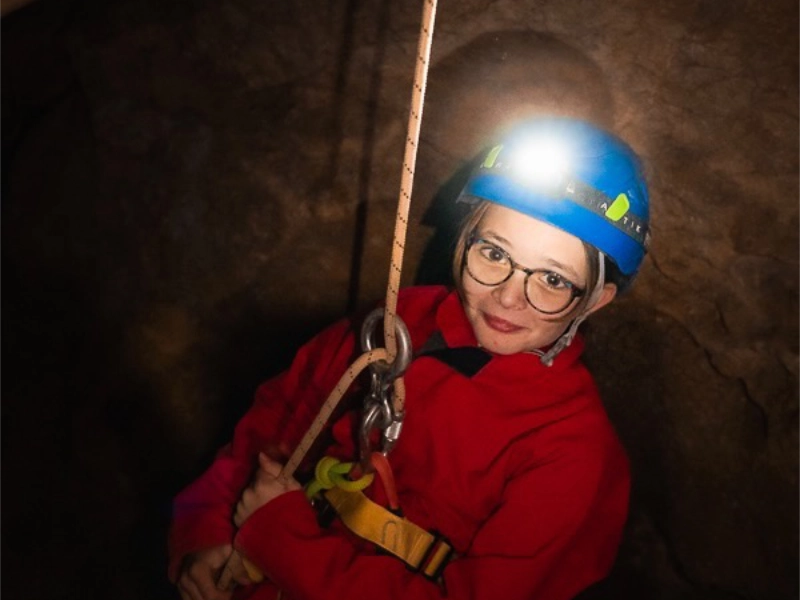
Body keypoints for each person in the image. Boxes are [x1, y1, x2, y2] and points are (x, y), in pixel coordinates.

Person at [168, 116, 651, 600]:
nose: (508, 297)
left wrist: (281, 538)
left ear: (596, 298)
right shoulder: (400, 324)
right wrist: (205, 530)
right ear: (463, 239)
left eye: (553, 280)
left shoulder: (572, 449)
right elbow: (279, 416)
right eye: (494, 254)